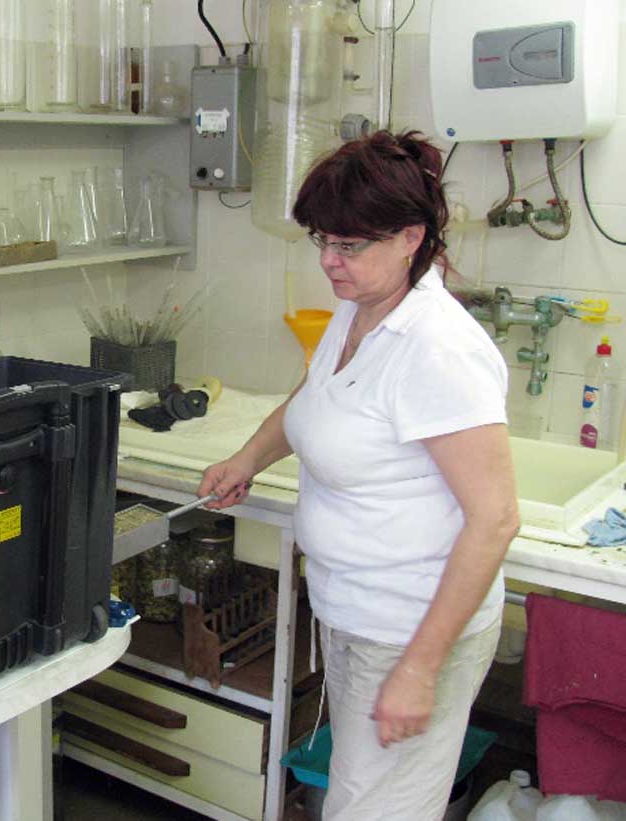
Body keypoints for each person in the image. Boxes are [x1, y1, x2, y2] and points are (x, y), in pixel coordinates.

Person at [198, 130, 519, 820]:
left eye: (348, 244)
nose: (328, 261)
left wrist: (420, 668)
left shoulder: (438, 349)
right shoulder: (360, 307)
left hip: (410, 630)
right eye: (322, 240)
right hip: (353, 616)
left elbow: (495, 520)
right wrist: (247, 458)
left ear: (410, 238)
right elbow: (316, 397)